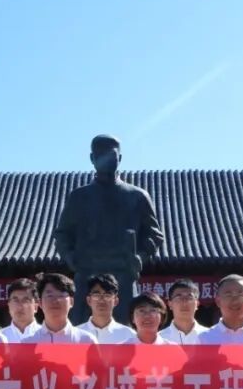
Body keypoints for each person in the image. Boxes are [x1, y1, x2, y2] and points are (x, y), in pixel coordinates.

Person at [53, 134, 165, 324]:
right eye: (101, 154)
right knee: (83, 331)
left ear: (120, 158)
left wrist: (140, 257)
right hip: (87, 274)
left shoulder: (137, 196)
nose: (106, 159)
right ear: (92, 158)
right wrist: (72, 259)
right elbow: (62, 234)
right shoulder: (79, 197)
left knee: (125, 330)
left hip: (123, 274)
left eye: (111, 155)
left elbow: (154, 234)